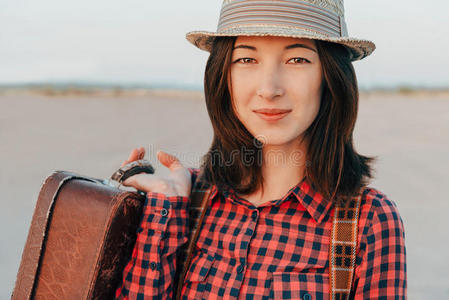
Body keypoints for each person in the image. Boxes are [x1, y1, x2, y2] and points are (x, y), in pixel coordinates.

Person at [114, 0, 406, 299]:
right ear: (223, 76)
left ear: (331, 76)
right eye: (246, 60)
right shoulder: (188, 200)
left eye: (297, 60)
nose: (269, 89)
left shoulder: (368, 221)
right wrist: (167, 205)